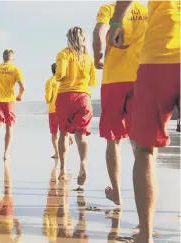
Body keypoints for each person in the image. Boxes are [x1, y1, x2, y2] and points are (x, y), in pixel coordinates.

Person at [108, 1, 180, 242]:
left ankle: (145, 235)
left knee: (144, 150)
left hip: (159, 56)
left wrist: (117, 20)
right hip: (157, 55)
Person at [92, 1, 148, 205]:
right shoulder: (145, 11)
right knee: (140, 142)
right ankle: (143, 198)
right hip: (141, 78)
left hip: (114, 80)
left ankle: (117, 193)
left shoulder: (108, 9)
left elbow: (99, 32)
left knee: (113, 139)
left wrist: (97, 56)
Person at [55, 27, 97, 182]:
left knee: (64, 134)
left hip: (65, 96)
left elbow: (59, 75)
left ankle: (63, 169)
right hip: (83, 97)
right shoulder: (89, 57)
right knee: (81, 135)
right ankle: (83, 163)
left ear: (69, 38)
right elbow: (92, 81)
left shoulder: (63, 54)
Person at [45, 63, 73, 159]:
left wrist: (48, 99)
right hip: (64, 110)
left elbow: (48, 98)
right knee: (64, 131)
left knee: (54, 133)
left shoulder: (50, 82)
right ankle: (68, 139)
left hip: (53, 110)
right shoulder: (65, 81)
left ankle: (57, 152)